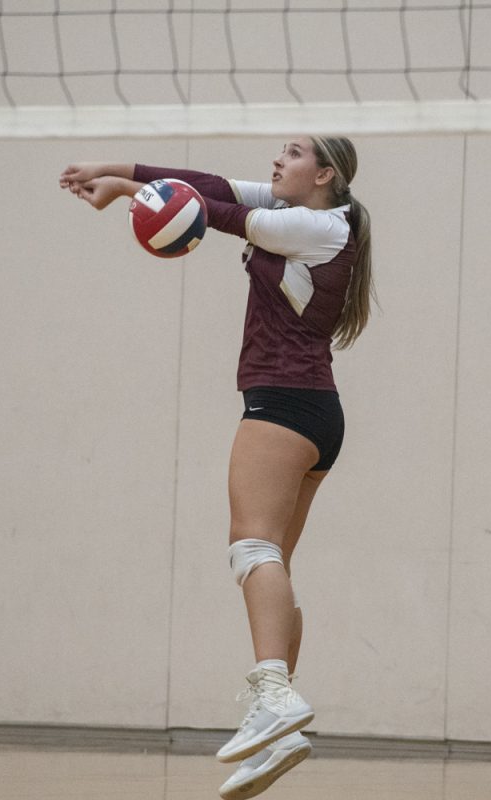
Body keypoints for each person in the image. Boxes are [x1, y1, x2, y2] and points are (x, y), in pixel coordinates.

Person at [59, 136, 373, 799]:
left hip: (282, 406)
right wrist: (118, 174)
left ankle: (274, 697)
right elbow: (205, 183)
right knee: (273, 568)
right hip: (317, 411)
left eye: (292, 153)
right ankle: (278, 731)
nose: (276, 160)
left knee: (249, 548)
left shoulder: (312, 224)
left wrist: (135, 195)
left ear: (325, 174)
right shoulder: (314, 212)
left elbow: (213, 210)